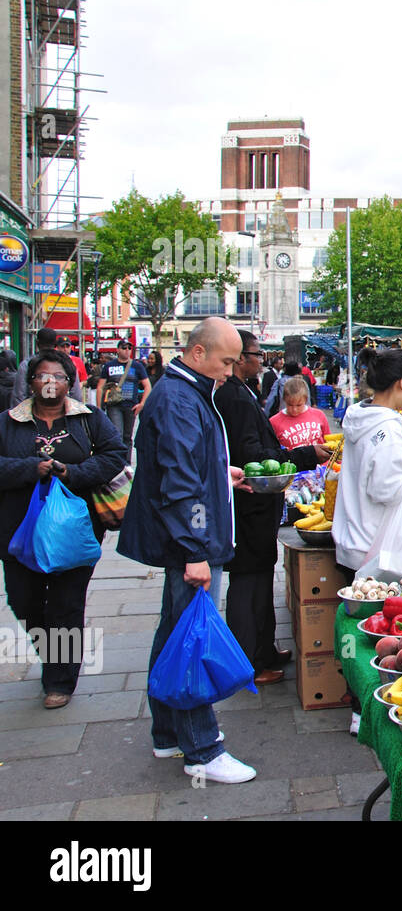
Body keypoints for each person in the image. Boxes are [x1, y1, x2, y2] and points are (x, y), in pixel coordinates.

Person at [119, 317, 258, 784]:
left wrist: (223, 475)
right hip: (189, 546)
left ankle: (167, 733)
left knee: (174, 632)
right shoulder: (180, 398)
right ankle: (202, 748)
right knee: (194, 638)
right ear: (198, 353)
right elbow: (178, 486)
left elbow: (186, 469)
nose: (229, 370)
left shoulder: (183, 391)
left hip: (185, 540)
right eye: (225, 361)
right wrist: (195, 552)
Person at [0, 350, 127, 709]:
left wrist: (72, 473)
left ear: (69, 383)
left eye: (58, 376)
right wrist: (32, 468)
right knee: (23, 601)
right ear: (32, 382)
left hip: (75, 530)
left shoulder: (90, 419)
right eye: (43, 376)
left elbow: (114, 454)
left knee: (66, 605)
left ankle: (59, 679)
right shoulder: (8, 423)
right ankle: (52, 652)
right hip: (18, 532)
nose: (50, 382)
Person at [215, 332, 329, 685]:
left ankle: (263, 648)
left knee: (262, 578)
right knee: (248, 582)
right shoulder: (233, 397)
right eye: (255, 354)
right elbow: (252, 454)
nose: (260, 359)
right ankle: (248, 661)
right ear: (237, 357)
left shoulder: (242, 391)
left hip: (259, 507)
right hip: (248, 506)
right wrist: (303, 455)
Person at [331, 349, 402, 733]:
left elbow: (370, 469)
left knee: (357, 631)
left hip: (354, 537)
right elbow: (387, 490)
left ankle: (358, 706)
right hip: (379, 549)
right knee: (379, 637)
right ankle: (370, 711)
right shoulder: (389, 427)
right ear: (398, 385)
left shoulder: (359, 416)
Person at [95, 340, 151, 456]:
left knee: (127, 436)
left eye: (129, 348)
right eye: (124, 348)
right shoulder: (109, 366)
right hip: (114, 405)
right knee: (117, 434)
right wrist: (99, 407)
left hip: (131, 405)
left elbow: (147, 386)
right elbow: (100, 387)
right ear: (118, 350)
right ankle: (117, 460)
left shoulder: (137, 366)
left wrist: (142, 404)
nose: (127, 351)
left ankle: (127, 462)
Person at [12, 327, 83, 406]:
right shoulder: (67, 363)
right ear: (55, 344)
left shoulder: (26, 364)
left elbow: (19, 396)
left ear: (37, 343)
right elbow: (76, 395)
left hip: (34, 413)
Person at [270, 376, 331, 450]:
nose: (294, 409)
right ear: (284, 400)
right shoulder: (274, 422)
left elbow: (329, 441)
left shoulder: (319, 415)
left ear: (305, 400)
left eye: (299, 405)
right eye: (290, 404)